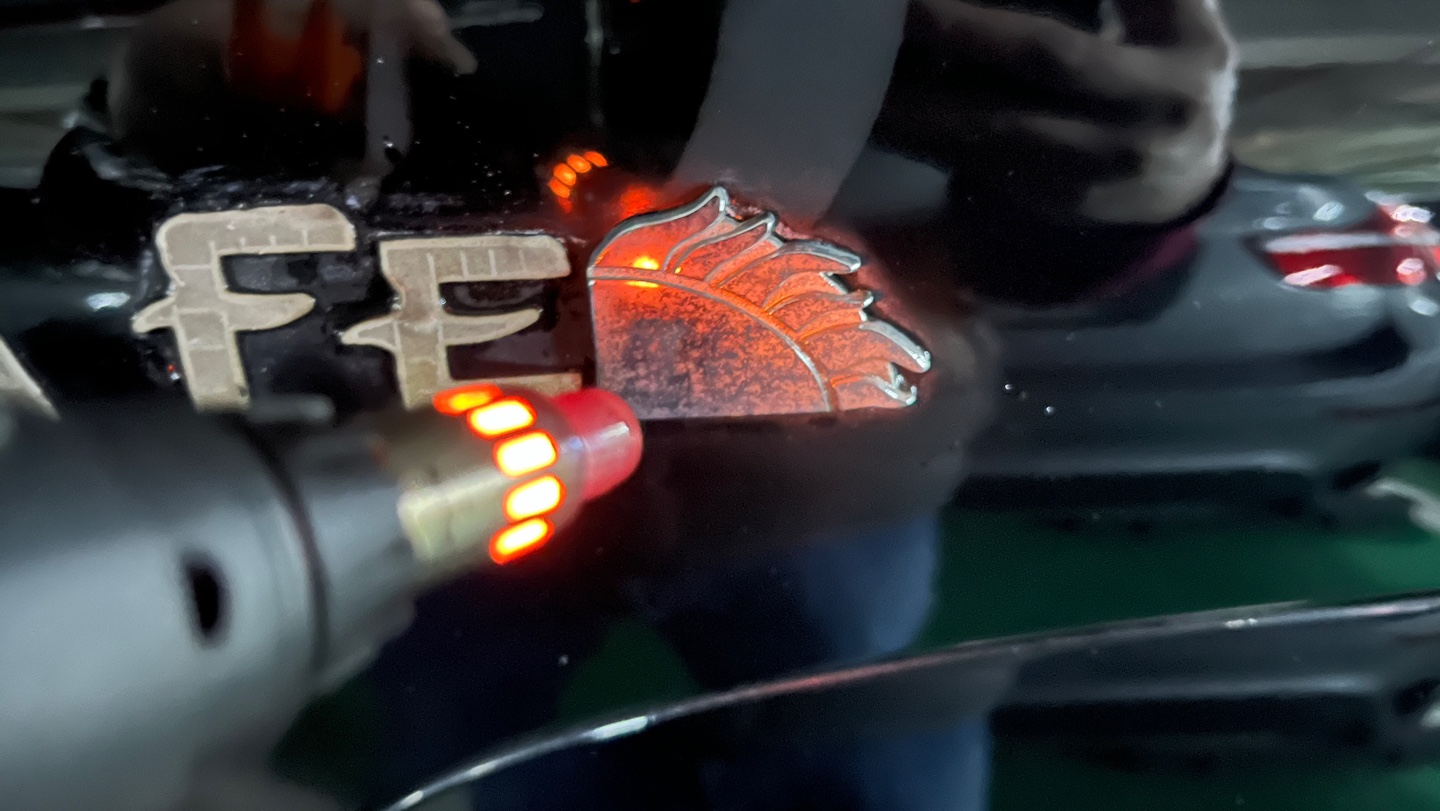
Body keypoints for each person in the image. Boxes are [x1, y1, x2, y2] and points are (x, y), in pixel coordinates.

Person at [75, 0, 1238, 807]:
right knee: (480, 757)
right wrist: (148, 138)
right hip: (447, 495)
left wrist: (1145, 200)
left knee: (863, 753)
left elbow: (1046, 245)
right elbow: (134, 233)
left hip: (823, 489)